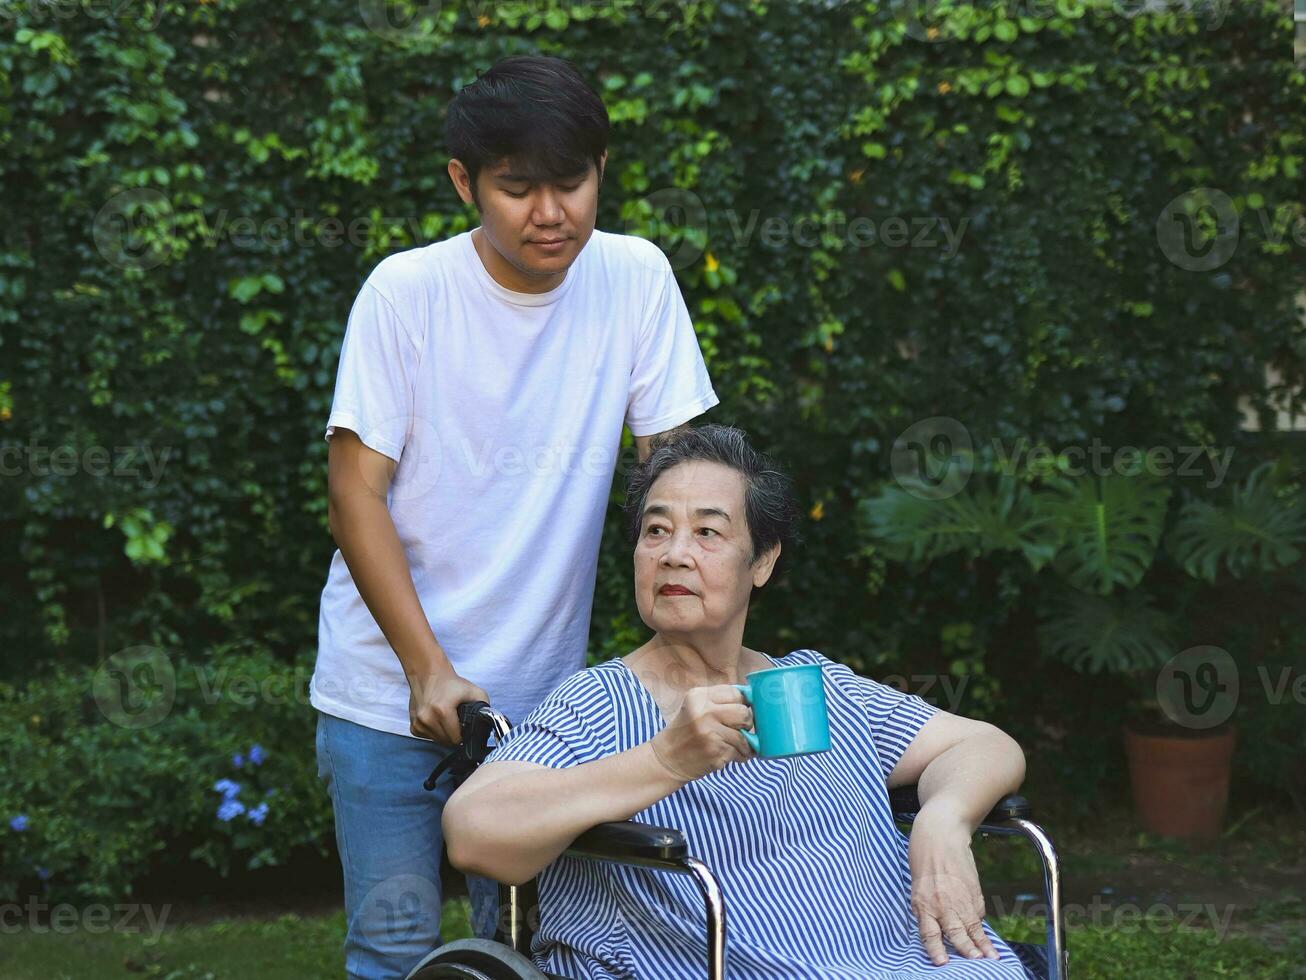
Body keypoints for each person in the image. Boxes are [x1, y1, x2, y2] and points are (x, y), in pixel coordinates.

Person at [310, 55, 719, 980]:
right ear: (465, 183)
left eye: (571, 183)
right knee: (395, 948)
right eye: (517, 188)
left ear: (601, 167)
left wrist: (692, 651)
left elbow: (680, 481)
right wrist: (428, 670)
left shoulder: (636, 279)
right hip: (386, 694)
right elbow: (353, 495)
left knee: (527, 950)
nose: (551, 214)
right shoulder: (405, 295)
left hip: (544, 709)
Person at [443, 425, 1033, 979]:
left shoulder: (813, 688)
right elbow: (473, 832)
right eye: (655, 530)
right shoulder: (601, 702)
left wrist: (944, 819)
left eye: (707, 531)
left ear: (764, 561)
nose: (674, 553)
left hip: (904, 959)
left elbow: (983, 743)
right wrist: (666, 761)